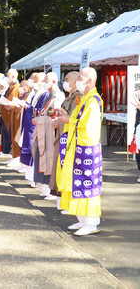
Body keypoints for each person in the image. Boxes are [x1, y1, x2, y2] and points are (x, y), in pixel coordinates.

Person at [56, 67, 103, 236]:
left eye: (81, 78)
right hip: (76, 147)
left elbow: (88, 127)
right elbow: (76, 119)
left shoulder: (93, 101)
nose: (78, 82)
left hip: (86, 149)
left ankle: (90, 223)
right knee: (77, 183)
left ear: (89, 80)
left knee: (86, 185)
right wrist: (66, 117)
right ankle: (82, 219)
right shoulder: (84, 99)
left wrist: (69, 120)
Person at [49, 71, 82, 213]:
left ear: (75, 81)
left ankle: (67, 202)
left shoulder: (78, 97)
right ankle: (62, 200)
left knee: (66, 170)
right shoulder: (71, 96)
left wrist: (62, 121)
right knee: (59, 168)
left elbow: (73, 119)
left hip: (69, 139)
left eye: (67, 79)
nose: (65, 82)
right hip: (62, 136)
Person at [31, 72, 65, 198]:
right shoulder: (48, 95)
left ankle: (49, 188)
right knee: (41, 157)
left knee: (48, 160)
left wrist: (39, 120)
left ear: (54, 82)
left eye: (46, 80)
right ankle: (44, 188)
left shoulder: (58, 96)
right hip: (43, 131)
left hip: (51, 133)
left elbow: (53, 116)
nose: (44, 82)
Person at [19, 72, 48, 187]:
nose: (33, 83)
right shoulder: (33, 93)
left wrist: (28, 107)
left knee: (33, 151)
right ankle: (30, 177)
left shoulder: (44, 94)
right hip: (28, 123)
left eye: (36, 81)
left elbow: (40, 110)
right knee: (28, 149)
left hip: (35, 126)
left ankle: (34, 178)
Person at [0, 69, 20, 159]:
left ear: (13, 76)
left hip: (11, 113)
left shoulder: (16, 87)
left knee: (10, 134)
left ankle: (10, 153)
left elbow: (12, 100)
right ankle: (5, 151)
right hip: (6, 113)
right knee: (5, 133)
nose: (6, 77)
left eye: (8, 75)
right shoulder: (11, 87)